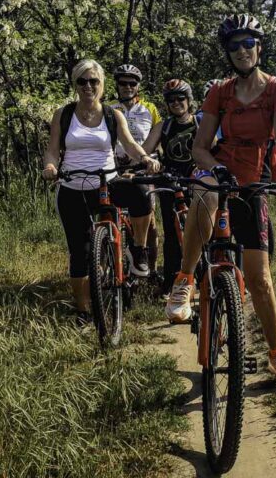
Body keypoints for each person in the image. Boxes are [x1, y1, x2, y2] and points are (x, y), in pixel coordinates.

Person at [165, 14, 276, 386]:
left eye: (248, 43)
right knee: (203, 196)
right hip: (219, 169)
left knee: (260, 278)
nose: (242, 51)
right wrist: (215, 168)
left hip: (255, 178)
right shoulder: (221, 92)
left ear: (259, 48)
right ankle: (184, 280)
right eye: (234, 45)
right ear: (227, 53)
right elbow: (200, 147)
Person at [42, 59, 161, 323]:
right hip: (72, 185)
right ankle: (84, 311)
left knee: (141, 195)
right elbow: (52, 148)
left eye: (93, 81)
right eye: (82, 81)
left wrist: (145, 159)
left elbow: (130, 145)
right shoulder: (63, 114)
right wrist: (50, 165)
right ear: (75, 84)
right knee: (80, 251)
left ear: (102, 84)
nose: (88, 86)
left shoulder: (112, 115)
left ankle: (139, 250)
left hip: (107, 182)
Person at [109, 64, 164, 279]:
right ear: (117, 85)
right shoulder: (109, 108)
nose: (127, 87)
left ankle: (151, 268)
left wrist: (142, 160)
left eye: (132, 83)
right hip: (115, 167)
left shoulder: (150, 108)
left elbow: (154, 138)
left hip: (142, 166)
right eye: (123, 83)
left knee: (148, 220)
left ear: (138, 86)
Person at [152, 78, 199, 296]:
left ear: (189, 100)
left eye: (181, 98)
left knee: (199, 230)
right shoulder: (164, 126)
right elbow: (145, 149)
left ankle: (202, 275)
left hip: (196, 180)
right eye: (171, 99)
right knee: (171, 232)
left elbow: (215, 149)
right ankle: (171, 280)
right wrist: (145, 161)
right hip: (169, 181)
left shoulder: (200, 123)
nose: (176, 102)